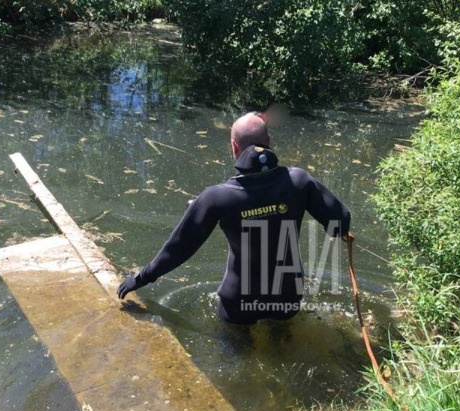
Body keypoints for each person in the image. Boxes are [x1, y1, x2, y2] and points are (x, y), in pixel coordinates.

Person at [116, 111, 351, 324]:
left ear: (234, 147)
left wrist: (141, 277)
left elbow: (179, 247)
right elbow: (340, 220)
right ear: (269, 142)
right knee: (284, 341)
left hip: (239, 298)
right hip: (287, 292)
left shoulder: (217, 197)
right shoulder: (299, 181)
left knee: (239, 352)